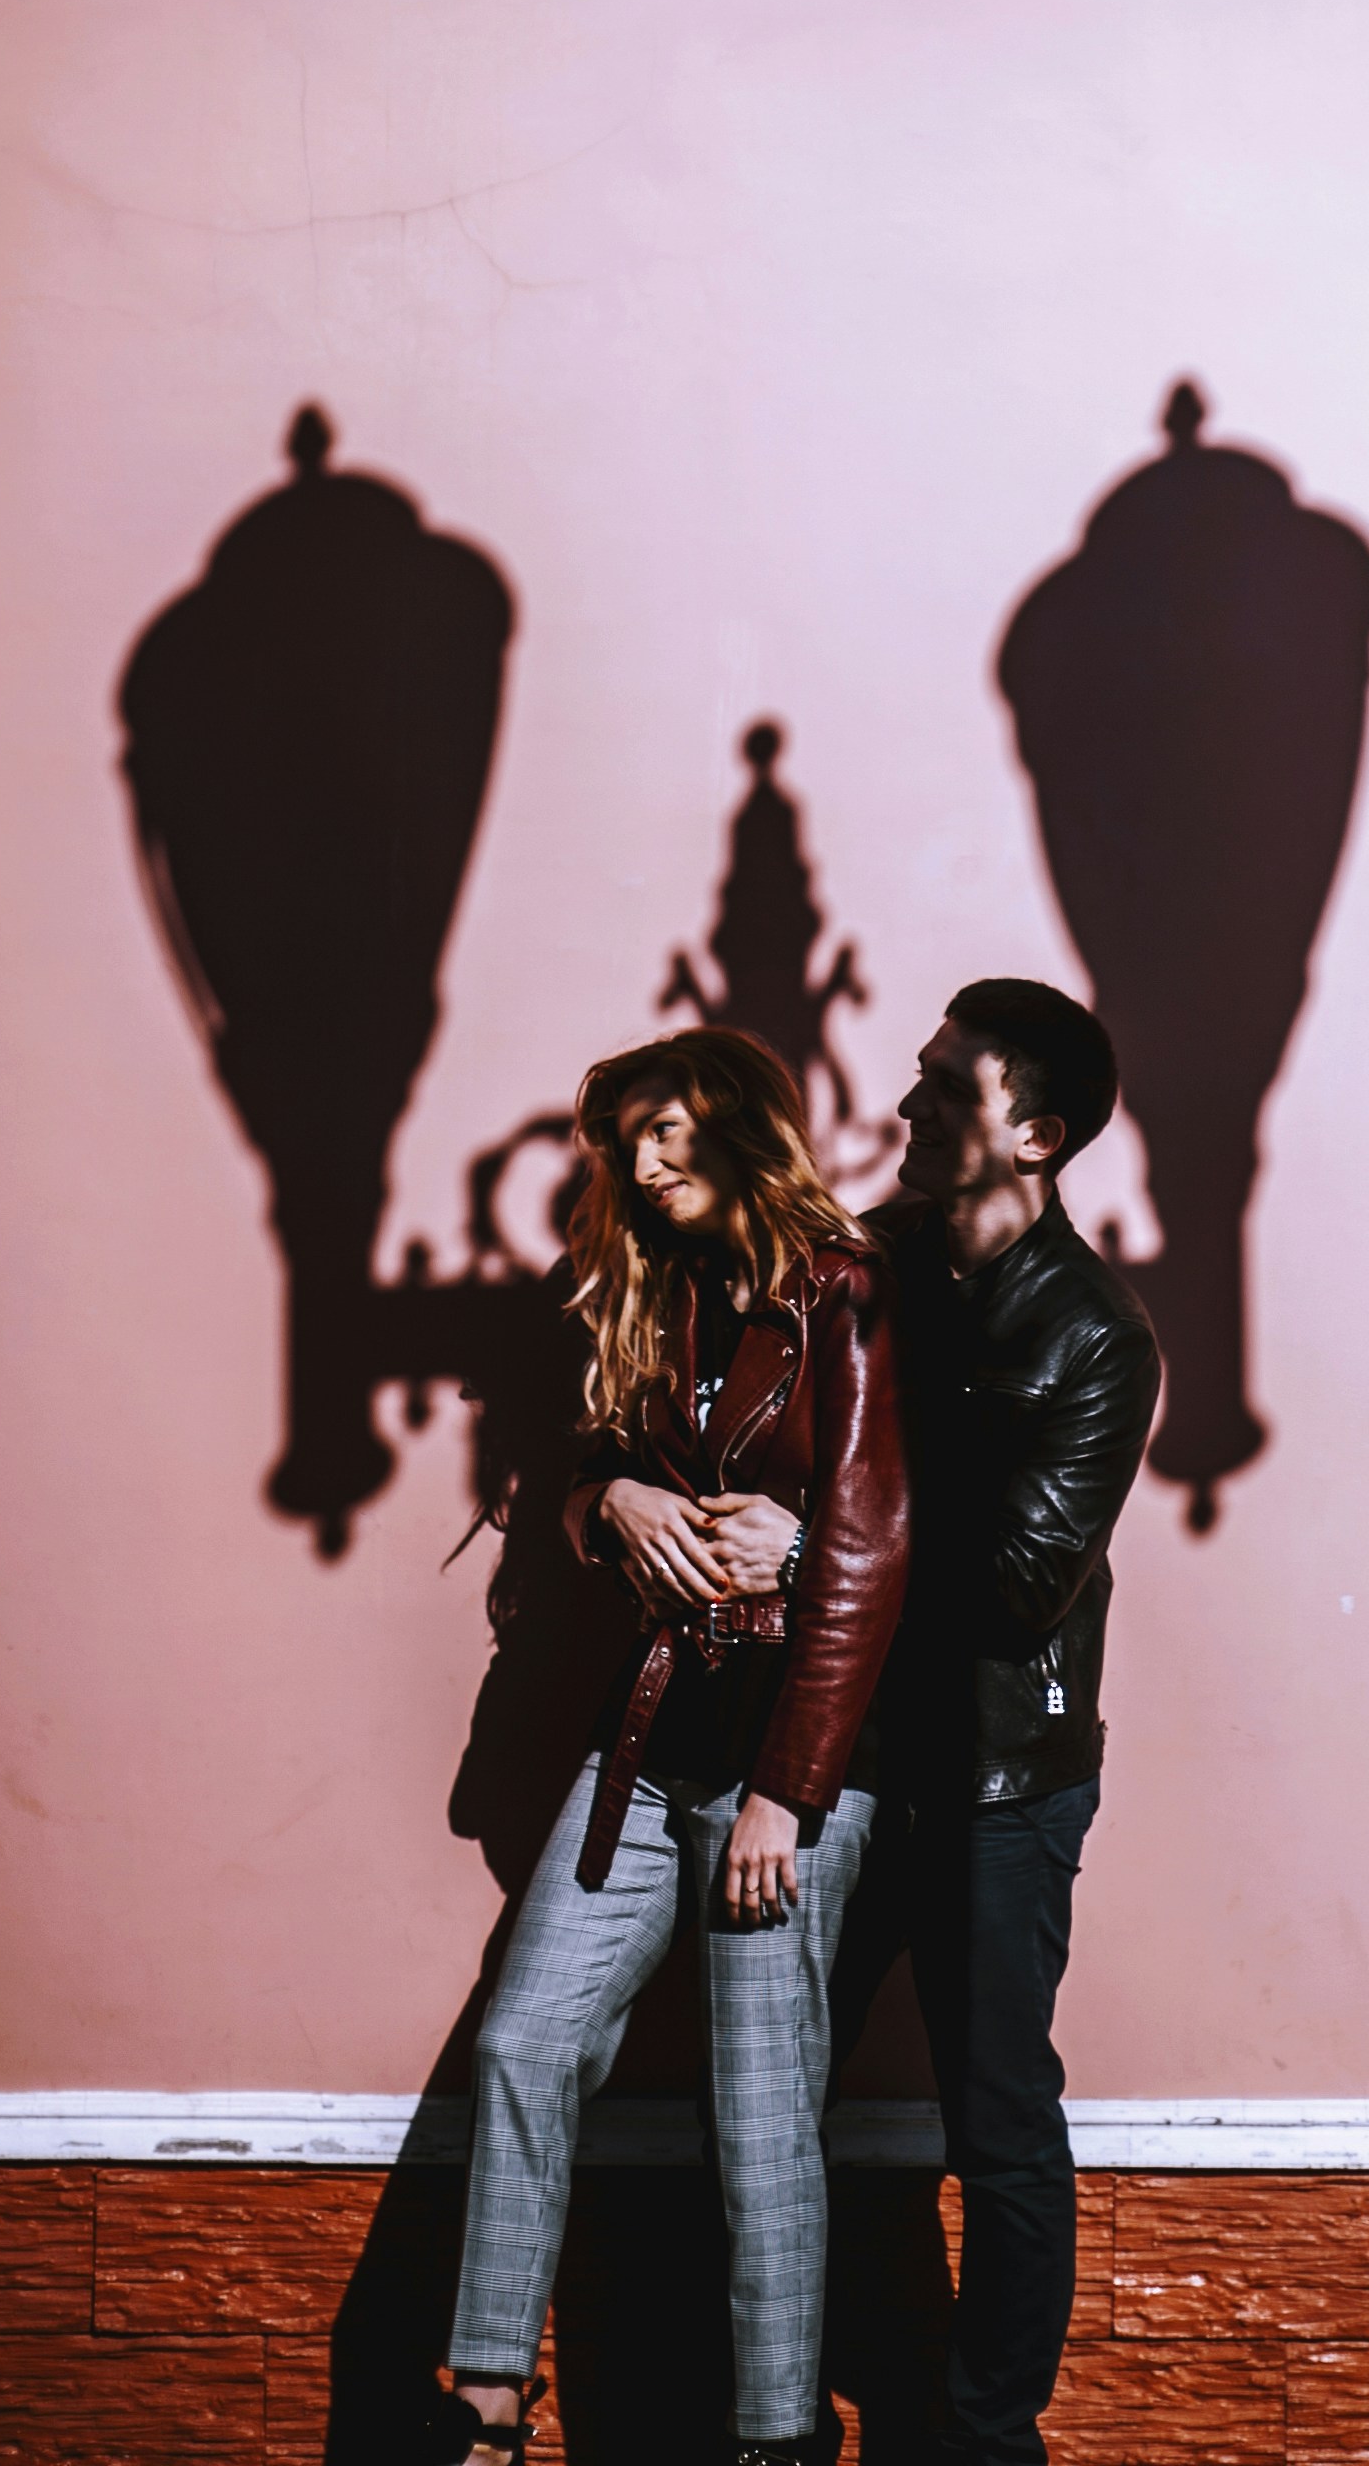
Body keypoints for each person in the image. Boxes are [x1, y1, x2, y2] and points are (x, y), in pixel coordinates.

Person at [439, 1028, 908, 2466]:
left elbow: (878, 1551)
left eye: (670, 1132)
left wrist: (790, 1792)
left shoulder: (848, 1295)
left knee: (760, 2118)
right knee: (527, 2039)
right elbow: (578, 1471)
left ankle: (774, 2440)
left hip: (792, 1760)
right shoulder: (649, 1293)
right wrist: (610, 1505)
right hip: (651, 1739)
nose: (641, 1164)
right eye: (628, 1139)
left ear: (745, 1133)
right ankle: (488, 2409)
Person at [828, 979, 1162, 2466]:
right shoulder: (866, 1268)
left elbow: (1020, 1585)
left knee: (1002, 2127)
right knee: (761, 2082)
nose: (904, 1108)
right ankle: (781, 2394)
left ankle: (985, 2439)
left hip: (999, 1782)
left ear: (1034, 1134)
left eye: (944, 1087)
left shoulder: (1096, 1336)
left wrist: (854, 1508)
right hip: (835, 1769)